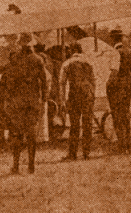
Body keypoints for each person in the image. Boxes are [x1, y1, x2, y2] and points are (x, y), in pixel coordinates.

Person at [0, 33, 47, 174]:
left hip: (17, 102)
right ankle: (31, 166)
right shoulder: (38, 59)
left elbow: (6, 80)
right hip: (33, 101)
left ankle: (16, 165)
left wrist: (6, 97)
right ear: (32, 44)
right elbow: (43, 81)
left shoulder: (15, 58)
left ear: (20, 44)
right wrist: (44, 99)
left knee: (16, 134)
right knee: (31, 134)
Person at [106, 28, 131, 154]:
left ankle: (121, 146)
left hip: (116, 85)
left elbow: (114, 72)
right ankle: (128, 146)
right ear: (122, 38)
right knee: (125, 115)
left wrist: (109, 84)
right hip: (127, 85)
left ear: (113, 39)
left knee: (117, 116)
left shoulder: (114, 52)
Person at [59, 26, 96, 161]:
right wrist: (93, 95)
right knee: (87, 124)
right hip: (88, 95)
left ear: (71, 51)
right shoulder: (89, 62)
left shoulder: (67, 63)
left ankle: (72, 153)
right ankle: (86, 153)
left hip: (74, 95)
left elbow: (62, 84)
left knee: (74, 125)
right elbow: (93, 80)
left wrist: (62, 101)